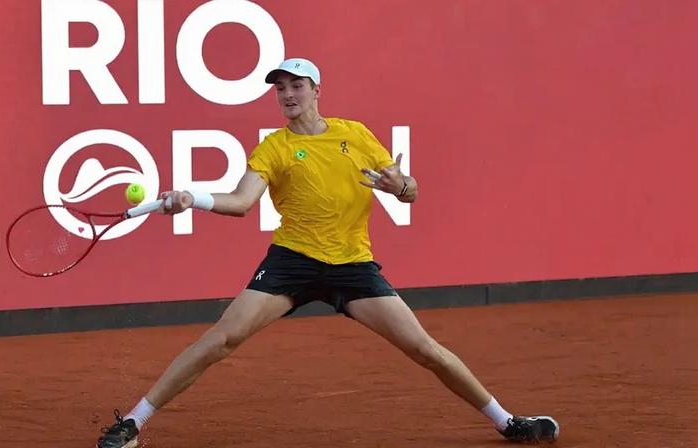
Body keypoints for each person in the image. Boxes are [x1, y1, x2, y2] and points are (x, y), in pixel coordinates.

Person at [96, 58, 559, 448]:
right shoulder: (275, 147)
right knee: (221, 340)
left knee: (425, 350)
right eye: (280, 88)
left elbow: (409, 189)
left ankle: (507, 422)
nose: (287, 94)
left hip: (352, 266)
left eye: (296, 86)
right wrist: (191, 198)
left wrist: (400, 186)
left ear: (316, 90)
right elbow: (240, 202)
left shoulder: (354, 134)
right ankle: (133, 422)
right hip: (292, 262)